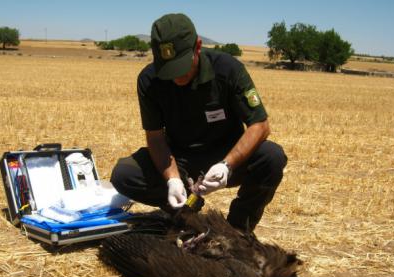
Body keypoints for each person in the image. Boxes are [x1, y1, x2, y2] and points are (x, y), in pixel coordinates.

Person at [111, 13, 287, 232]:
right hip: (178, 159)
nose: (176, 77)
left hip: (226, 155)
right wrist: (172, 179)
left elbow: (260, 125)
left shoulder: (227, 69)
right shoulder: (149, 80)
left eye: (182, 66)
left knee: (272, 157)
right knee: (124, 174)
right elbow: (155, 138)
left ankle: (238, 230)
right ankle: (184, 214)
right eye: (168, 69)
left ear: (198, 47)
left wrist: (226, 165)